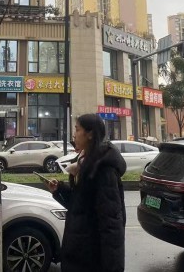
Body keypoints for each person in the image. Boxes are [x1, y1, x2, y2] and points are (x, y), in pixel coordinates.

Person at [44, 113, 126, 272]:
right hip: (78, 252)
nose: (74, 134)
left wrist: (113, 267)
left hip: (91, 258)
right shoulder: (83, 163)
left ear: (90, 134)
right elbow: (80, 205)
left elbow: (111, 223)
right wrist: (59, 190)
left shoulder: (103, 170)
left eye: (77, 129)